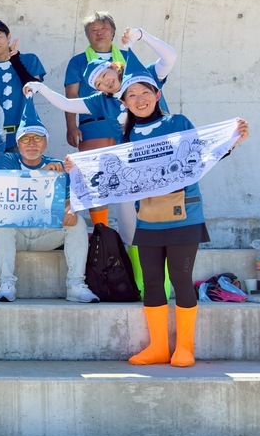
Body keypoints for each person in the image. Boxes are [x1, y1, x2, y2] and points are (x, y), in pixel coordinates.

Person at [106, 65, 249, 367]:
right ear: (125, 103)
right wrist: (78, 169)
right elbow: (116, 173)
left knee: (181, 279)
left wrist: (230, 141)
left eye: (146, 92)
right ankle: (158, 347)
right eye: (132, 95)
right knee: (153, 281)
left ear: (157, 95)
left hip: (185, 213)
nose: (140, 99)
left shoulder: (178, 122)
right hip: (147, 217)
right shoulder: (127, 134)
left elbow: (201, 152)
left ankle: (185, 348)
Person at [24, 26, 177, 248]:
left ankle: (163, 283)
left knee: (163, 230)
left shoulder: (143, 75)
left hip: (160, 163)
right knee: (131, 233)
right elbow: (67, 104)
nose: (105, 83)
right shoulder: (101, 100)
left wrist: (142, 36)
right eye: (98, 84)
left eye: (105, 75)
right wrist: (41, 88)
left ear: (115, 68)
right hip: (131, 170)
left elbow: (170, 57)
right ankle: (139, 282)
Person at [0, 101, 99, 304]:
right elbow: (5, 191)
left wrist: (70, 209)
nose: (31, 143)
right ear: (18, 144)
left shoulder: (58, 166)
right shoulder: (7, 160)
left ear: (46, 143)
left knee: (78, 222)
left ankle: (75, 285)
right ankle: (6, 284)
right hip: (17, 233)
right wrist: (42, 176)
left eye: (37, 139)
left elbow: (70, 199)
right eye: (26, 139)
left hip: (46, 234)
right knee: (1, 222)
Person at [64, 11, 154, 231]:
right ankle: (101, 231)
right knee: (97, 180)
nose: (99, 33)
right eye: (93, 30)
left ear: (113, 31)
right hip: (92, 126)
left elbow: (146, 85)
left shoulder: (126, 56)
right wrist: (71, 126)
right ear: (87, 36)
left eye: (104, 28)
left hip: (127, 125)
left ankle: (137, 234)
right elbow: (71, 96)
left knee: (132, 177)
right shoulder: (78, 61)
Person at [0, 20, 46, 152]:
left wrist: (15, 61)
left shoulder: (29, 60)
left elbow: (33, 88)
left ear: (8, 37)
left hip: (25, 136)